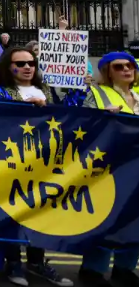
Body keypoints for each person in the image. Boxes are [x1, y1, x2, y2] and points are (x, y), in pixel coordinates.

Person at [0, 47, 73, 287]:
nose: (27, 67)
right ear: (8, 66)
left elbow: (70, 114)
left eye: (31, 63)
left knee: (42, 211)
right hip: (12, 161)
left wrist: (78, 87)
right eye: (21, 63)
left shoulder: (46, 90)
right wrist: (26, 106)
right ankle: (13, 262)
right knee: (13, 212)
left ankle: (37, 261)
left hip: (44, 162)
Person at [78, 55, 139, 286]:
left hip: (136, 168)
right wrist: (101, 118)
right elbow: (82, 126)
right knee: (105, 218)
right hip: (108, 168)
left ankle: (125, 267)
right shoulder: (96, 94)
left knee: (134, 219)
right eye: (119, 67)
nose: (126, 69)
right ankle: (93, 269)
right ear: (108, 72)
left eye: (130, 65)